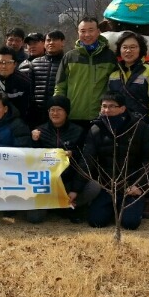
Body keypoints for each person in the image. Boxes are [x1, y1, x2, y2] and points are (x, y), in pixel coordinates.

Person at [76, 92, 149, 231]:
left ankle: (138, 204)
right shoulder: (96, 129)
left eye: (112, 106)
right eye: (104, 106)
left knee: (130, 223)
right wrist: (76, 189)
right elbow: (87, 161)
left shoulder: (139, 127)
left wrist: (139, 185)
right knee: (96, 221)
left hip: (131, 187)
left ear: (123, 108)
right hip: (107, 186)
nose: (107, 110)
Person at [108, 31, 149, 217]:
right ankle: (123, 196)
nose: (128, 51)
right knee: (123, 161)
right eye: (125, 47)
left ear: (141, 50)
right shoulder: (113, 74)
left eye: (133, 47)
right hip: (120, 127)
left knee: (147, 163)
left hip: (145, 127)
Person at [30, 95, 98, 223]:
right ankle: (58, 207)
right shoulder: (39, 131)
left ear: (66, 112)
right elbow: (32, 159)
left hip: (68, 182)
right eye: (52, 110)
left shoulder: (78, 131)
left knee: (94, 187)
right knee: (35, 218)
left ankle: (68, 204)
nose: (55, 113)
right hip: (46, 184)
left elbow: (84, 160)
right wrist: (34, 141)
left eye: (59, 110)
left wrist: (75, 189)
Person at [54, 16, 118, 128]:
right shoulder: (70, 57)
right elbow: (60, 87)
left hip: (101, 117)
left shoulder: (110, 57)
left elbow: (116, 87)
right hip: (73, 116)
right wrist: (58, 110)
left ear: (98, 32)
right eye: (83, 31)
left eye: (91, 30)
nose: (87, 35)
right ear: (78, 33)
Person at [27, 30, 66, 127]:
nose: (51, 43)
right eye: (48, 40)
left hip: (59, 113)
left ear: (62, 42)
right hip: (37, 113)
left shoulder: (67, 62)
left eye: (55, 40)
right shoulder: (35, 63)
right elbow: (30, 89)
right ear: (44, 43)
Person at [0, 46, 30, 121]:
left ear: (15, 64)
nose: (4, 66)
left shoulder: (24, 81)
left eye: (8, 63)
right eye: (0, 62)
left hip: (17, 122)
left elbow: (26, 108)